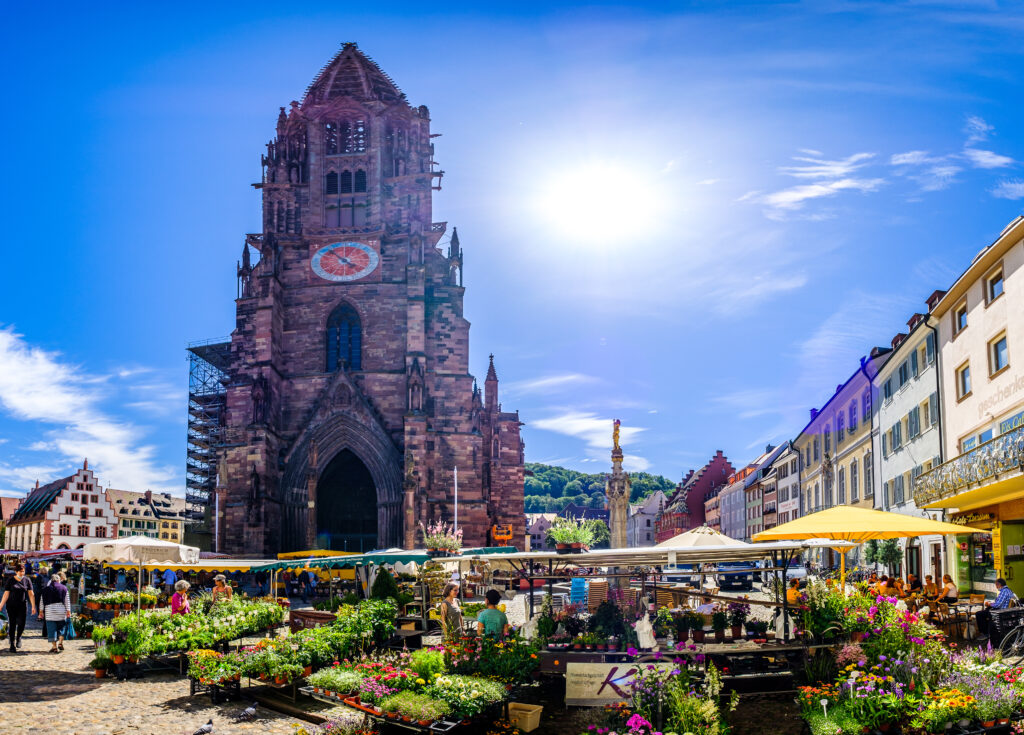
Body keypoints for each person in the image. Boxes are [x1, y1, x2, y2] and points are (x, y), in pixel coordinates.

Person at [0, 563, 36, 652]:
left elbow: (31, 594)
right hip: (11, 606)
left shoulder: (27, 580)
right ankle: (12, 644)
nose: (22, 573)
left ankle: (19, 637)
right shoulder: (10, 580)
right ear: (16, 571)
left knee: (21, 623)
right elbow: (6, 594)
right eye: (20, 572)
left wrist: (33, 606)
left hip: (22, 605)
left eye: (23, 571)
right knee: (12, 624)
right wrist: (1, 605)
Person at [39, 573, 71, 653]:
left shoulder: (45, 589)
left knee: (51, 630)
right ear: (58, 580)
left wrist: (41, 612)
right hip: (61, 611)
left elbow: (42, 602)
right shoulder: (64, 588)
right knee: (61, 628)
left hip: (50, 612)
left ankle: (54, 647)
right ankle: (60, 643)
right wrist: (68, 611)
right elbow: (67, 601)